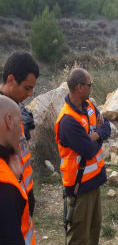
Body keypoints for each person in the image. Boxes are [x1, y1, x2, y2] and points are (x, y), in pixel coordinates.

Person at [55, 68, 111, 245]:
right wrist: (99, 135)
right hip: (79, 186)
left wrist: (96, 135)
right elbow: (88, 150)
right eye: (89, 84)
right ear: (80, 87)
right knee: (79, 237)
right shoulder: (67, 121)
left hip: (94, 181)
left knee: (94, 229)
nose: (91, 87)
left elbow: (107, 126)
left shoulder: (89, 107)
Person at [0, 51, 39, 219]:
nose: (30, 94)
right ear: (10, 80)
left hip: (23, 199)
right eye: (27, 88)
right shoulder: (2, 116)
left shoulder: (17, 112)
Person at [0, 95, 35, 245]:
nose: (21, 133)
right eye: (19, 122)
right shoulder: (4, 184)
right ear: (8, 121)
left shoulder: (7, 166)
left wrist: (17, 178)